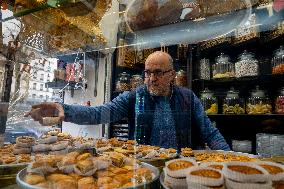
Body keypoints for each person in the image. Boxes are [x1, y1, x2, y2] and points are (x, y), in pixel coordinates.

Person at [25, 51, 230, 150]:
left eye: (158, 73)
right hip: (144, 166)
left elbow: (209, 133)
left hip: (181, 168)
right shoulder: (133, 97)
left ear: (172, 75)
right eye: (148, 73)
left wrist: (228, 158)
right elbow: (98, 113)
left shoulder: (188, 98)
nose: (151, 79)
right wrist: (61, 109)